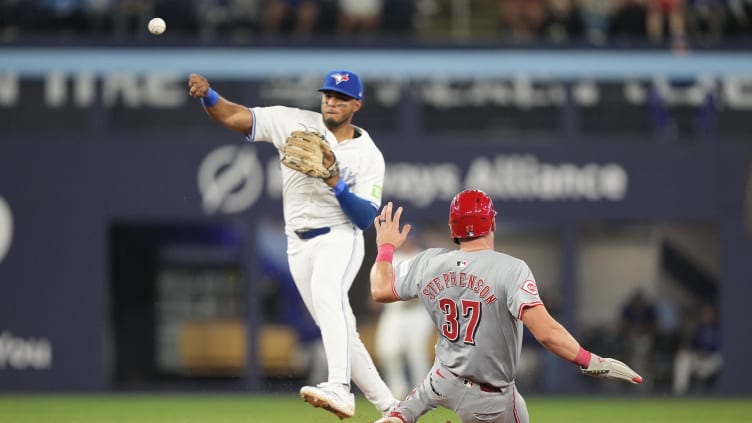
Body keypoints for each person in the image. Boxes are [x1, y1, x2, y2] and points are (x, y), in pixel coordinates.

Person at [188, 70, 398, 420]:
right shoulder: (294, 122)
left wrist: (336, 181)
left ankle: (340, 388)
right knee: (341, 330)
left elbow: (364, 219)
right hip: (298, 244)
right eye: (328, 95)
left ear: (356, 105)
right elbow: (236, 116)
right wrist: (209, 96)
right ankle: (392, 409)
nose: (332, 101)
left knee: (329, 295)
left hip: (339, 236)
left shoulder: (368, 154)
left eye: (341, 98)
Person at [369, 190, 643, 423]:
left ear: (453, 229)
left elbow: (380, 289)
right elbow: (546, 333)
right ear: (492, 223)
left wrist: (385, 247)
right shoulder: (511, 269)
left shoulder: (428, 262)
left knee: (400, 415)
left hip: (442, 378)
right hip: (490, 396)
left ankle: (400, 415)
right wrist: (590, 360)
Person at [374, 232, 434, 399]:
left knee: (416, 353)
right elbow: (378, 280)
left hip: (417, 312)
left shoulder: (423, 258)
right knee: (387, 351)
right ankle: (396, 391)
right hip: (394, 311)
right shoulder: (391, 257)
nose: (408, 242)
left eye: (411, 239)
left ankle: (421, 393)